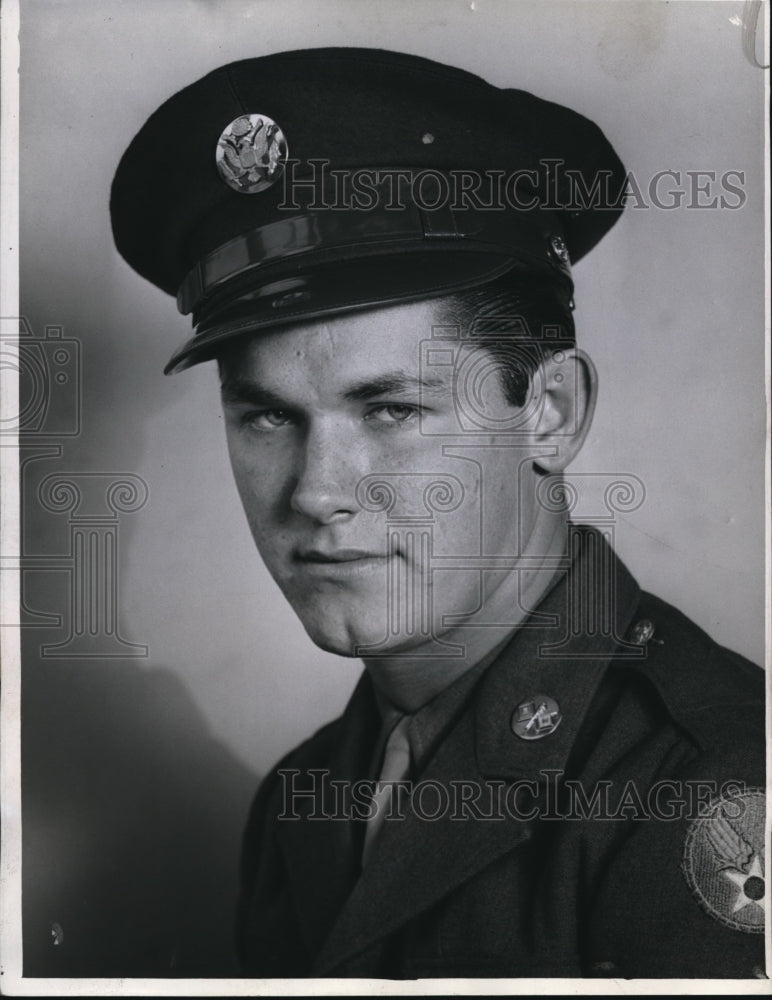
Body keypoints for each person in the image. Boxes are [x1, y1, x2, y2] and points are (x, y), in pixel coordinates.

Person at [110, 47, 765, 979]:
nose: (315, 491)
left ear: (551, 413)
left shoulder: (712, 788)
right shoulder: (305, 796)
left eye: (391, 410)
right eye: (267, 415)